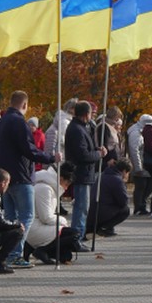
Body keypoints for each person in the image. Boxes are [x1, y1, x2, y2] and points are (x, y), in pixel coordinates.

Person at [0, 91, 59, 267]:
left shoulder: (0, 122)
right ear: (24, 105)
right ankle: (15, 253)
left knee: (9, 215)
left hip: (3, 175)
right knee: (26, 215)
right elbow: (28, 149)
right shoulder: (18, 122)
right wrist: (50, 158)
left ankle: (7, 252)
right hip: (20, 174)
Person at [24, 163, 82, 265]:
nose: (66, 188)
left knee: (66, 256)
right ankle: (41, 249)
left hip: (39, 225)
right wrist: (63, 222)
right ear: (61, 179)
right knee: (75, 233)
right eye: (67, 184)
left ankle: (32, 248)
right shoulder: (44, 189)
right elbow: (46, 217)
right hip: (35, 227)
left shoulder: (48, 187)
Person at [64, 101, 105, 244]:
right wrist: (99, 155)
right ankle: (76, 238)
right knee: (81, 207)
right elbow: (83, 155)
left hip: (85, 173)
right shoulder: (76, 130)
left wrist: (96, 150)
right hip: (81, 173)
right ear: (86, 114)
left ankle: (78, 235)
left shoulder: (82, 128)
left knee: (82, 207)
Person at [88, 159, 133, 237]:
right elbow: (123, 202)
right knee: (125, 210)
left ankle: (102, 227)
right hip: (102, 211)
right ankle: (104, 227)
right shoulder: (117, 180)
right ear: (124, 171)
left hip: (92, 211)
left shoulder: (102, 175)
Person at [127, 113, 152, 215]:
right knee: (141, 186)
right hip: (139, 164)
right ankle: (138, 207)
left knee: (147, 186)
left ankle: (142, 205)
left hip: (142, 162)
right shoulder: (136, 133)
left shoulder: (139, 131)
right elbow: (134, 151)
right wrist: (138, 168)